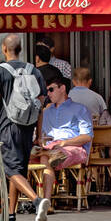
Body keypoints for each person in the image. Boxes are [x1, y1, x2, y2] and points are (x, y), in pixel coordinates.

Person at [0, 34, 49, 221]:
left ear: (3, 48)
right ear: (21, 49)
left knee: (9, 169)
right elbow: (41, 104)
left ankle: (37, 201)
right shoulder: (33, 71)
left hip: (8, 126)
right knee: (18, 170)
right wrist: (39, 135)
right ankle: (11, 216)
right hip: (28, 126)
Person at [30, 73, 92, 209]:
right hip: (49, 148)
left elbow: (87, 136)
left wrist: (64, 143)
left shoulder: (79, 109)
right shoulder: (46, 112)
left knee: (48, 157)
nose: (48, 94)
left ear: (62, 88)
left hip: (71, 148)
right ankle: (36, 202)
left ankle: (45, 201)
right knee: (22, 159)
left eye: (51, 89)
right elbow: (40, 136)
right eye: (46, 91)